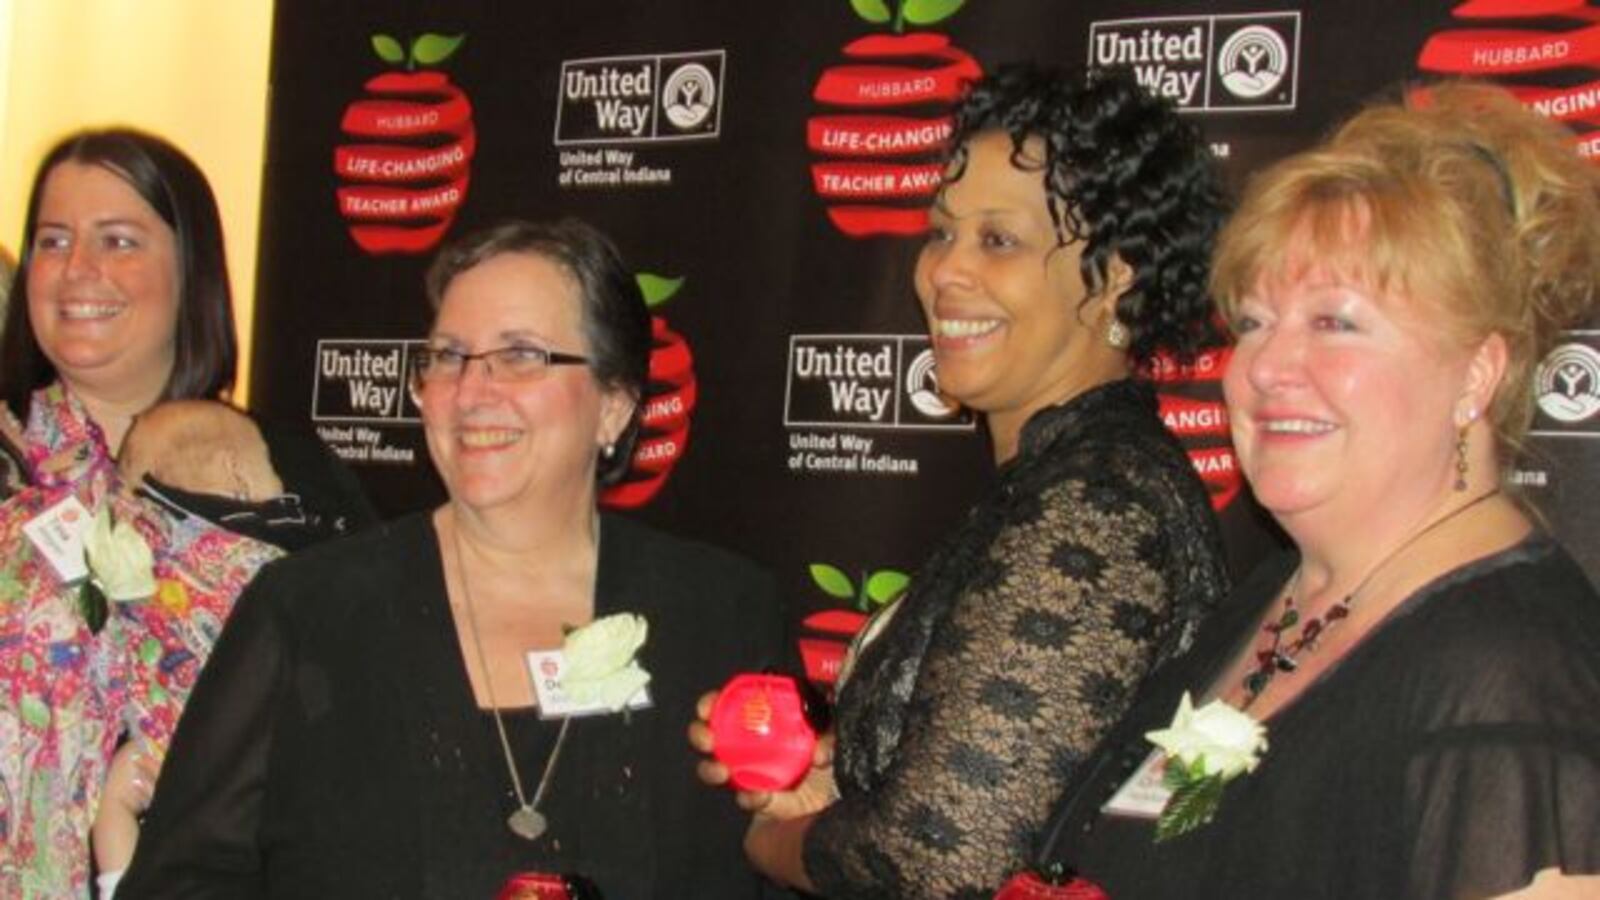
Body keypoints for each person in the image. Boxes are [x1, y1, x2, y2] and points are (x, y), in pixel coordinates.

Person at [1036, 82, 1600, 898]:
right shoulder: (1281, 599)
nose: (1263, 368)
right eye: (1256, 323)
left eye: (1335, 322)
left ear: (1477, 373)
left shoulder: (1509, 688)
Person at [118, 218, 794, 898]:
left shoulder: (720, 614)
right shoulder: (309, 610)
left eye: (522, 354)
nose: (471, 392)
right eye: (447, 356)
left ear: (614, 405)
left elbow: (779, 863)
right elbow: (180, 883)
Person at [692, 63, 1232, 898]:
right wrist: (839, 782)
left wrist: (773, 840)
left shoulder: (1097, 503)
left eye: (999, 240)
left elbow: (945, 859)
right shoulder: (1055, 478)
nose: (944, 272)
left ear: (1117, 273)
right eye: (942, 232)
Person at [0, 128, 373, 897]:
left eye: (119, 240)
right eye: (53, 240)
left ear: (189, 269)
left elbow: (360, 724)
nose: (78, 271)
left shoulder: (288, 482)